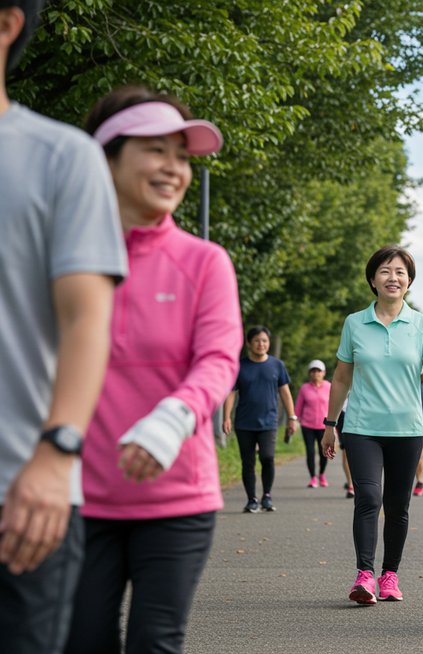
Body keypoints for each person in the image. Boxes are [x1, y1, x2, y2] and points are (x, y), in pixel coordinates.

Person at [65, 86, 242, 654]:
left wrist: (172, 419)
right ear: (108, 156)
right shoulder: (61, 255)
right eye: (155, 150)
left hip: (176, 499)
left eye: (181, 156)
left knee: (154, 642)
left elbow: (218, 359)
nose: (173, 168)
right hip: (76, 495)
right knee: (82, 641)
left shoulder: (203, 261)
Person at [0, 3, 126, 650]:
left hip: (22, 490)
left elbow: (87, 318)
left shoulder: (59, 158)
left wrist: (55, 456)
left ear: (7, 24)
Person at [320, 245, 423, 605]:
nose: (394, 278)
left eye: (401, 272)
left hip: (407, 428)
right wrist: (330, 424)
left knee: (398, 504)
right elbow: (342, 378)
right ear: (373, 279)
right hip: (362, 426)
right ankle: (364, 575)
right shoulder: (354, 323)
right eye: (386, 271)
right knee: (369, 497)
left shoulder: (420, 324)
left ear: (409, 281)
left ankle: (390, 575)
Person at [223, 326, 296, 513]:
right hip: (244, 422)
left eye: (264, 340)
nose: (261, 344)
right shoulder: (240, 366)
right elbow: (231, 393)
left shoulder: (277, 365)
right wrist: (226, 418)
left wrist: (291, 417)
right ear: (249, 343)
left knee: (268, 457)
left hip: (269, 421)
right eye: (256, 340)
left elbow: (285, 393)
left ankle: (267, 496)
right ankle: (252, 499)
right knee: (247, 462)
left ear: (269, 343)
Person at [295, 360, 332, 488]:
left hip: (324, 426)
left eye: (318, 371)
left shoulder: (329, 386)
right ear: (309, 373)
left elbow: (333, 406)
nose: (316, 373)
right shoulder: (304, 388)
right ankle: (312, 478)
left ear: (324, 373)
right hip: (307, 425)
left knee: (324, 452)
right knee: (310, 452)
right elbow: (299, 406)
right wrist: (295, 421)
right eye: (313, 371)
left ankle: (321, 474)